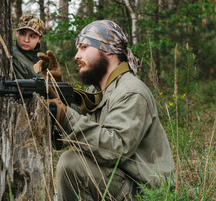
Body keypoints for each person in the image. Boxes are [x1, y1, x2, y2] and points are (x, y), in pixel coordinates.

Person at [44, 20, 176, 200]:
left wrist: (66, 116)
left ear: (107, 50)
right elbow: (79, 132)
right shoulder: (97, 91)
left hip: (145, 191)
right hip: (119, 180)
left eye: (83, 47)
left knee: (71, 163)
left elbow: (115, 148)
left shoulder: (131, 91)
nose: (77, 55)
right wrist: (56, 91)